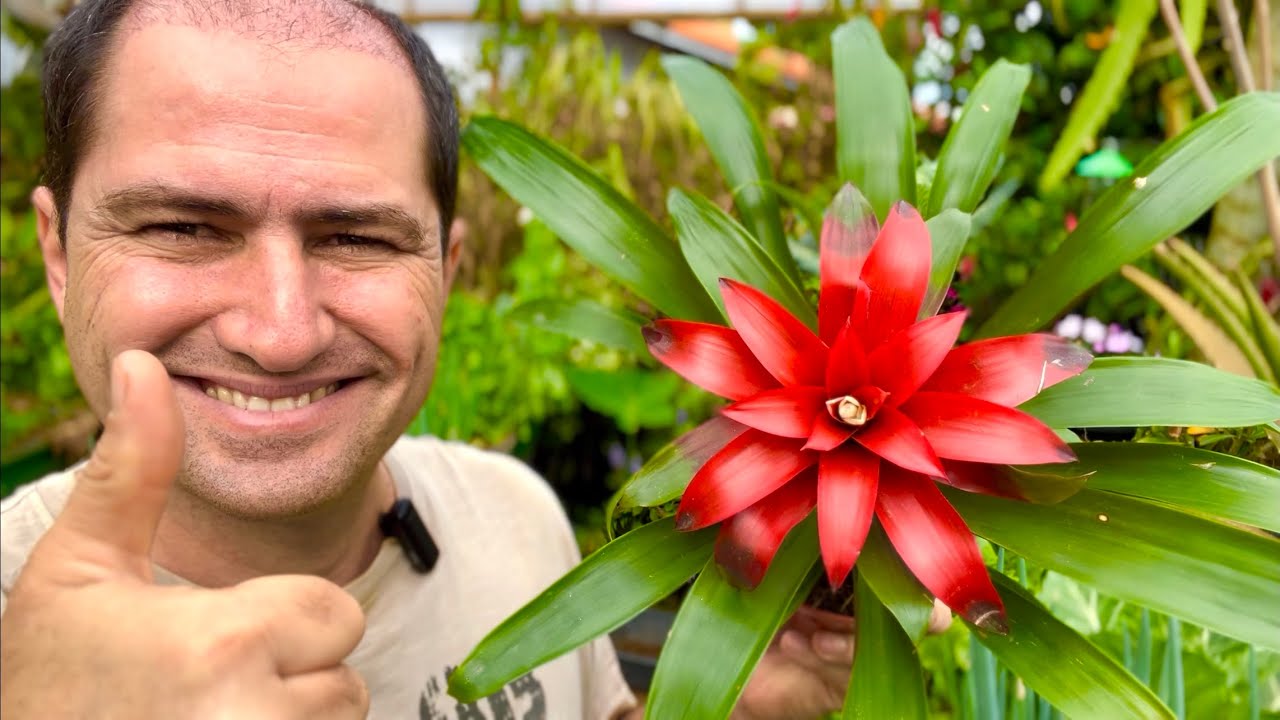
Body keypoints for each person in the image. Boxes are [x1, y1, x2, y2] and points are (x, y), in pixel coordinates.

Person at [0, 1, 923, 717]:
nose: (280, 331)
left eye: (355, 237)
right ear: (58, 252)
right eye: (183, 227)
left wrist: (724, 700)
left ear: (447, 266)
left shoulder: (512, 516)